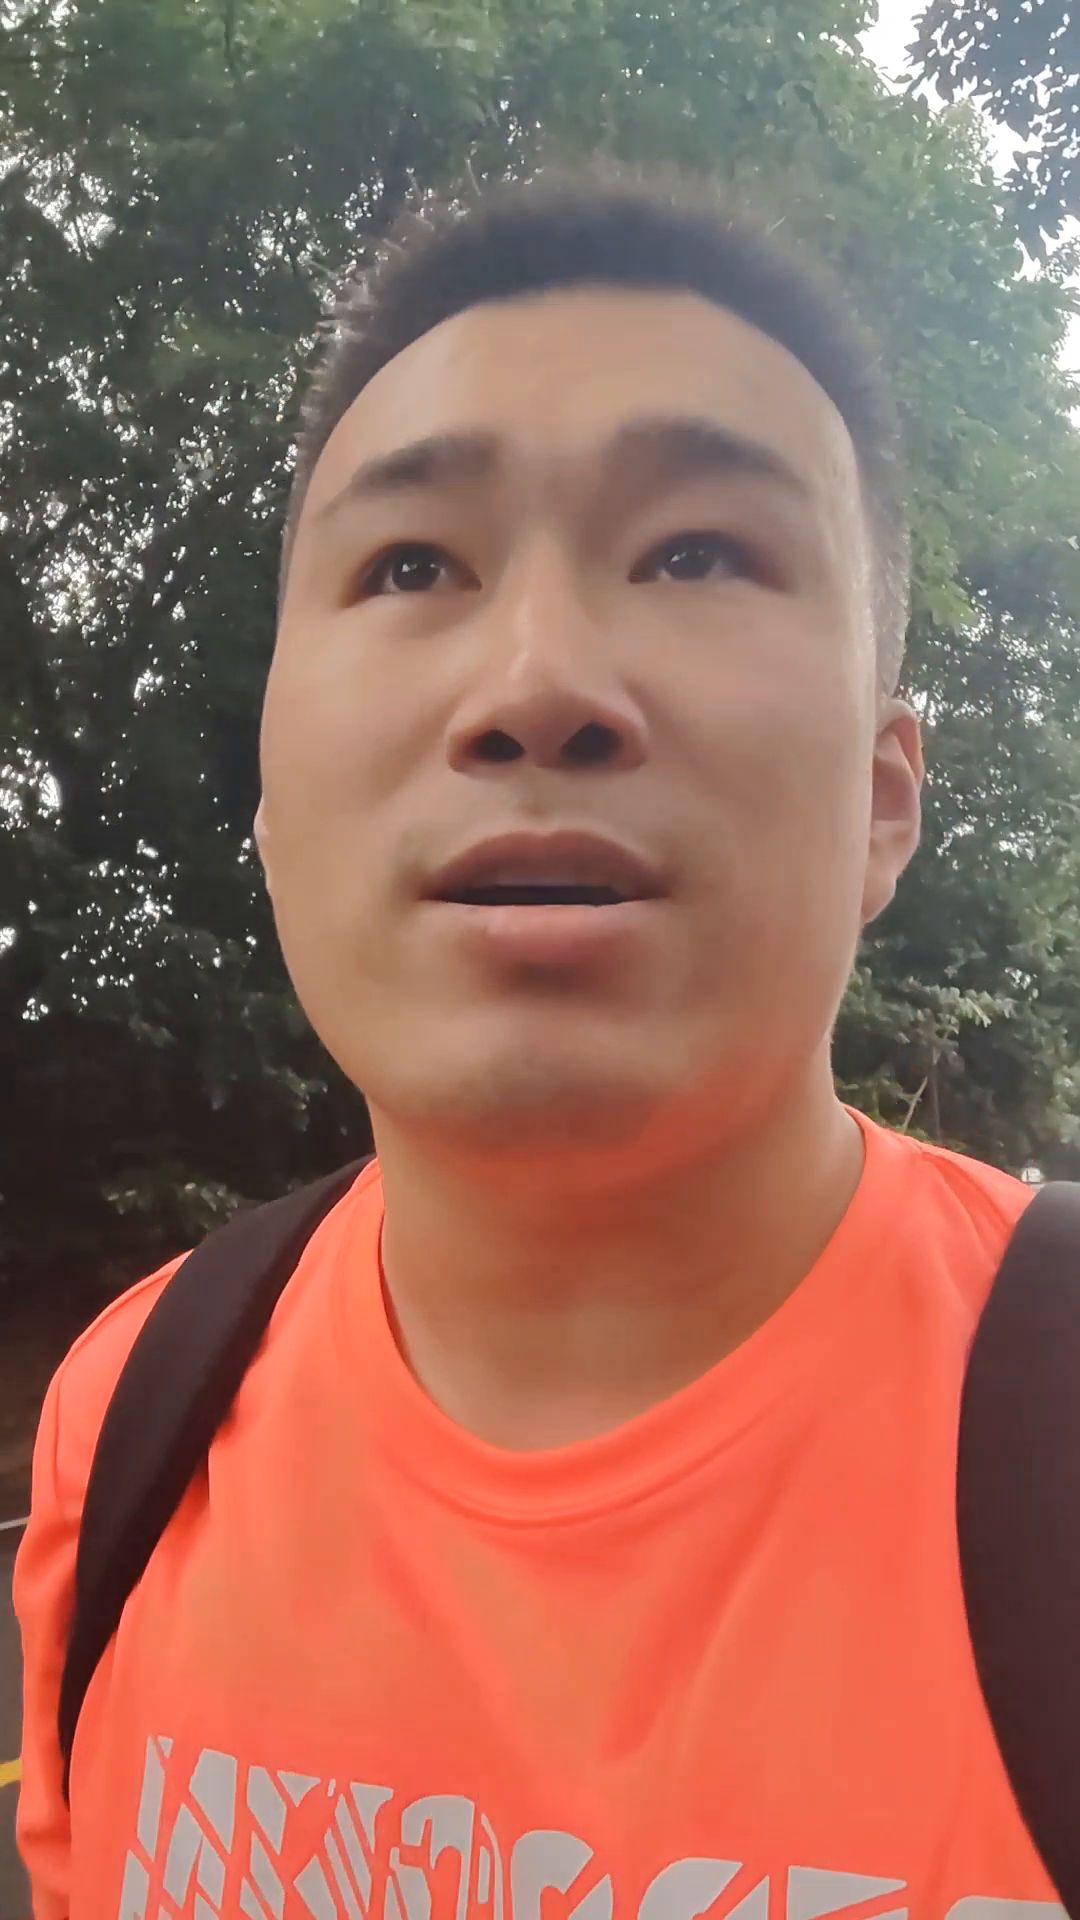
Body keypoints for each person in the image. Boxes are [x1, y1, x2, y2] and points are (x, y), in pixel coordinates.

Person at [13, 170, 1057, 1919]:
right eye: (412, 564)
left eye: (697, 552)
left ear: (886, 802)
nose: (539, 684)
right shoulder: (127, 1418)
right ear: (270, 805)